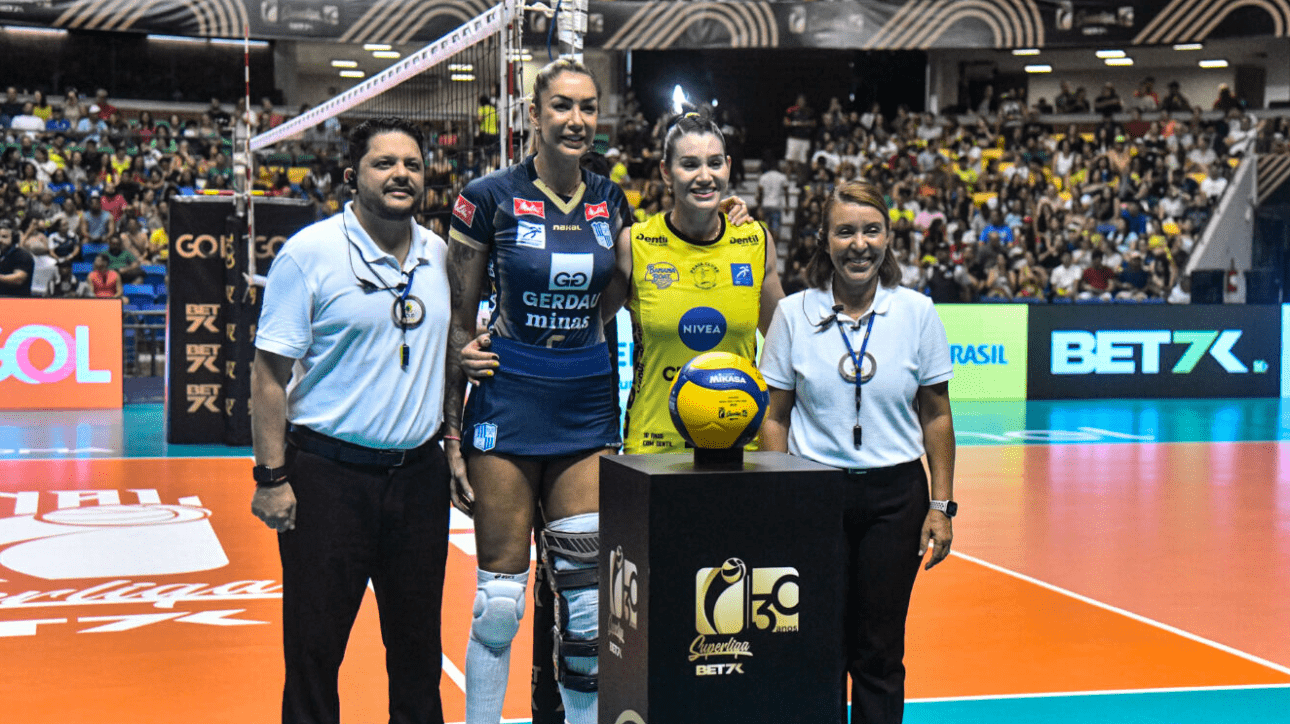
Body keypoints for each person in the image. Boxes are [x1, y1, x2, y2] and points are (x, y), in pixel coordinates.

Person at [442, 59, 633, 724]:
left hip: (583, 399)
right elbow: (458, 325)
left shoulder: (612, 199)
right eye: (561, 106)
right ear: (533, 115)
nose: (576, 119)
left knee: (585, 607)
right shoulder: (486, 196)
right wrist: (452, 437)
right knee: (499, 602)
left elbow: (623, 288)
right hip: (508, 399)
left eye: (587, 107)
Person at [249, 117, 453, 724]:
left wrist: (455, 447)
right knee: (314, 650)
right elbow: (267, 375)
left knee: (418, 651)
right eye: (383, 163)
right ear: (351, 176)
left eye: (412, 165)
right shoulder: (310, 253)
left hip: (418, 479)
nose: (401, 175)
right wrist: (271, 478)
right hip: (328, 478)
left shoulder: (440, 253)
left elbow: (448, 358)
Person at [759, 179, 955, 724]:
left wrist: (941, 506)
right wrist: (781, 495)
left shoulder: (916, 313)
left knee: (879, 649)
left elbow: (937, 415)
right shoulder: (794, 315)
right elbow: (774, 417)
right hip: (814, 496)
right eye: (845, 231)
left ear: (889, 238)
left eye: (871, 230)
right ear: (824, 240)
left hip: (896, 498)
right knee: (815, 646)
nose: (859, 243)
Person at [618, 109, 784, 454]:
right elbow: (583, 329)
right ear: (666, 172)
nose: (704, 176)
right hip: (653, 450)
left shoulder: (755, 242)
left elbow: (787, 346)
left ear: (728, 166)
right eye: (690, 165)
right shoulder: (634, 244)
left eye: (714, 164)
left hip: (740, 448)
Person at [0, 219, 35, 298]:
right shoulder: (2, 254)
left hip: (16, 300)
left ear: (14, 238)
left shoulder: (22, 255)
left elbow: (19, 279)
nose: (0, 240)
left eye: (4, 237)